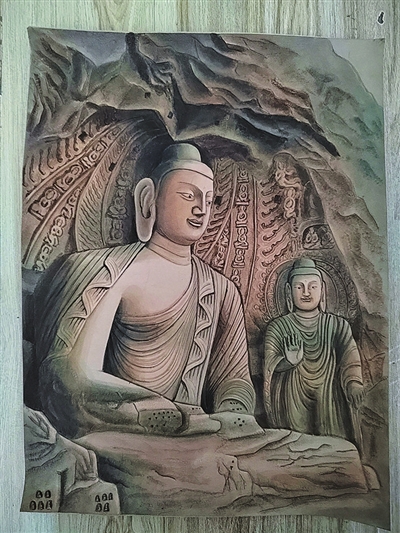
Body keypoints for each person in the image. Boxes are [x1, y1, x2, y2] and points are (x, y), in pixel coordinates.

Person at [34, 143, 256, 438]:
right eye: (188, 195)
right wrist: (151, 406)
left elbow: (234, 379)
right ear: (149, 198)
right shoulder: (112, 270)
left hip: (198, 435)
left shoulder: (221, 289)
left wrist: (233, 411)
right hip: (124, 428)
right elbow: (75, 374)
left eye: (208, 199)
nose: (201, 209)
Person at [263, 257, 364, 443]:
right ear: (288, 291)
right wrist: (287, 361)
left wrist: (354, 383)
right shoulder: (278, 327)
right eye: (299, 287)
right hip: (292, 399)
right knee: (297, 445)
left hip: (329, 395)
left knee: (333, 444)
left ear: (322, 290)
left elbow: (349, 357)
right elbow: (269, 367)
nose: (306, 292)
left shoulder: (337, 325)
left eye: (313, 286)